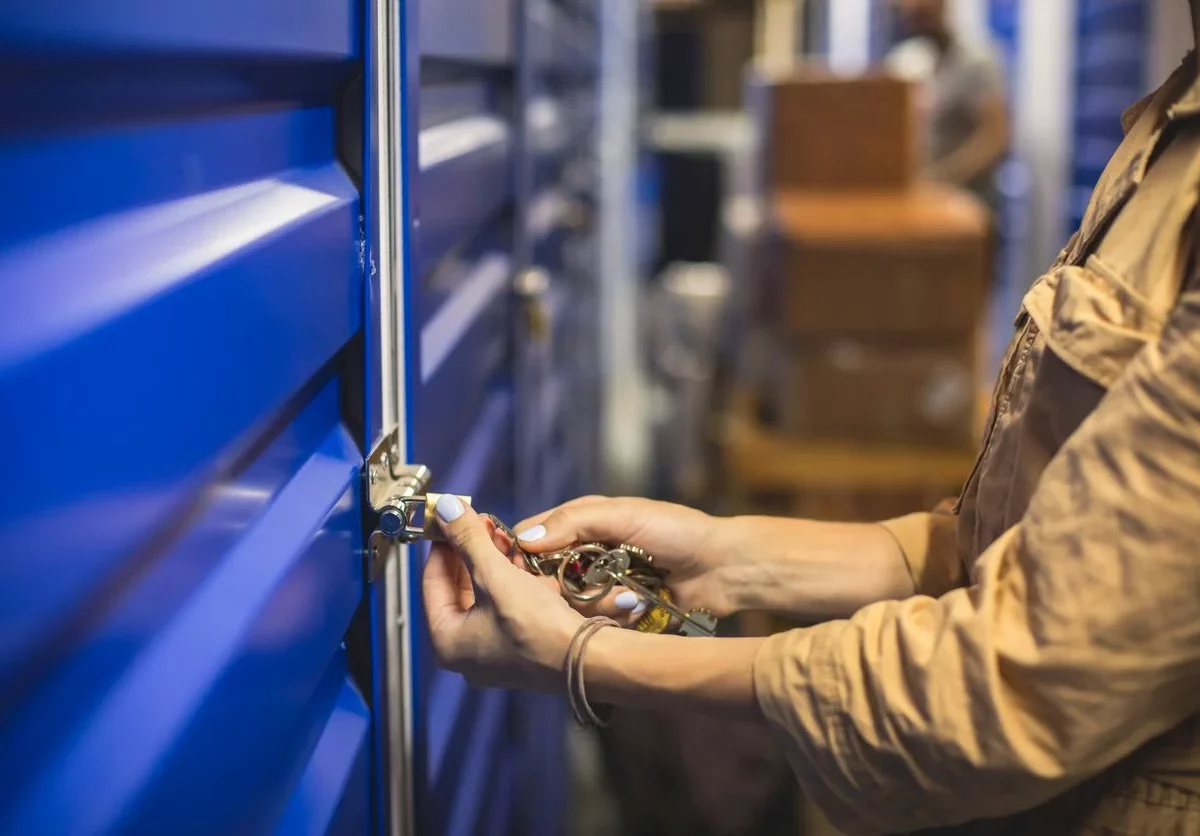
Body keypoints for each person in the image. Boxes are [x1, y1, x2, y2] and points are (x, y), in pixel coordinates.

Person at [422, 4, 1200, 834]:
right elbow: (1003, 552)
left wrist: (587, 658)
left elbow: (1021, 679)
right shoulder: (1171, 130)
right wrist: (730, 555)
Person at [884, 0, 1009, 213]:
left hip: (968, 203)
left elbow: (994, 139)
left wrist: (940, 179)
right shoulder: (906, 60)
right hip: (922, 202)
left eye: (922, 13)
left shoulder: (977, 62)